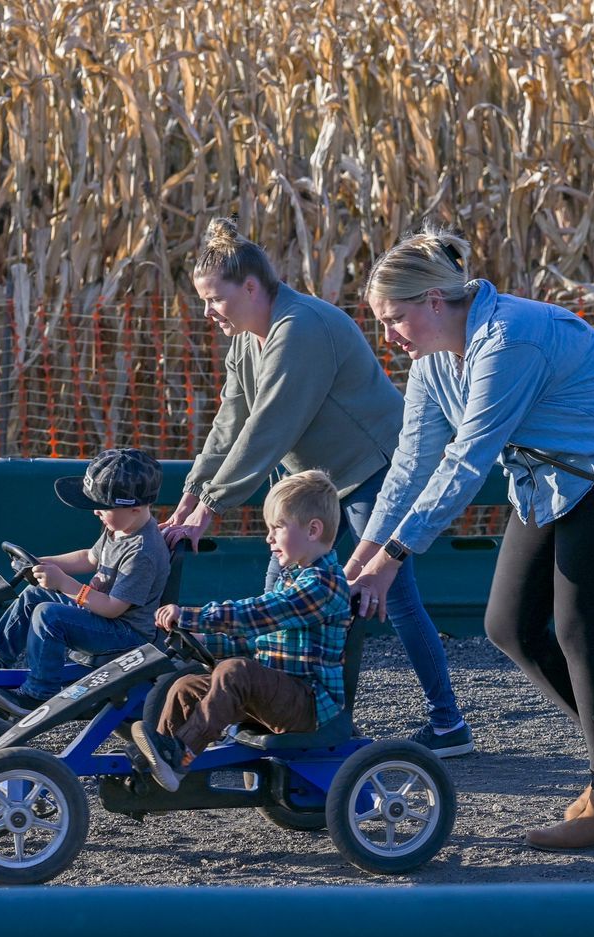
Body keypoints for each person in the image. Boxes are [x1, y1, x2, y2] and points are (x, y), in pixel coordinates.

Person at [346, 228, 594, 851]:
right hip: (552, 474)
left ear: (436, 301)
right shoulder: (432, 360)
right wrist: (364, 552)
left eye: (395, 318)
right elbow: (413, 461)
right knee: (508, 625)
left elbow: (466, 462)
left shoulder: (508, 339)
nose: (388, 335)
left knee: (579, 629)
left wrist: (394, 556)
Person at [159, 217, 473, 758]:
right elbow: (230, 420)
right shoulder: (247, 340)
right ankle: (271, 710)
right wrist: (190, 493)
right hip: (311, 491)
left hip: (373, 472)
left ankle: (447, 723)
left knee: (394, 596)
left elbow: (270, 426)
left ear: (252, 287)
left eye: (216, 300)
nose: (209, 314)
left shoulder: (299, 328)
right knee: (276, 594)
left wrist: (212, 504)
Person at [137, 470, 350, 792]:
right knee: (186, 686)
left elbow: (256, 615)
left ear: (313, 529)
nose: (269, 538)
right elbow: (254, 642)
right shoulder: (291, 579)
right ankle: (161, 767)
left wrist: (192, 616)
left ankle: (181, 755)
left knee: (235, 672)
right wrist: (203, 642)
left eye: (277, 528)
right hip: (276, 692)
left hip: (309, 703)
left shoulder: (323, 586)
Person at [0, 447, 172, 715]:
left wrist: (65, 584)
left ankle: (38, 692)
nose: (95, 513)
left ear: (135, 508)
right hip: (104, 618)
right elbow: (89, 557)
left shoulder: (142, 551)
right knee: (34, 595)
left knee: (49, 616)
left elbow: (113, 608)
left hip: (126, 634)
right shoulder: (119, 528)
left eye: (102, 507)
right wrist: (44, 562)